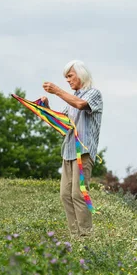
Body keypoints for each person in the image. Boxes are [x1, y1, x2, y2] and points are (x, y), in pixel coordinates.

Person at [42, 60, 103, 238]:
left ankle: (86, 237)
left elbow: (80, 104)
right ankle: (75, 237)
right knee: (65, 195)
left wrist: (57, 91)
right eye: (66, 77)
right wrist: (45, 109)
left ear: (80, 74)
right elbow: (61, 125)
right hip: (68, 152)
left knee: (78, 193)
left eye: (70, 76)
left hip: (83, 152)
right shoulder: (71, 100)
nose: (67, 80)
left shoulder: (93, 93)